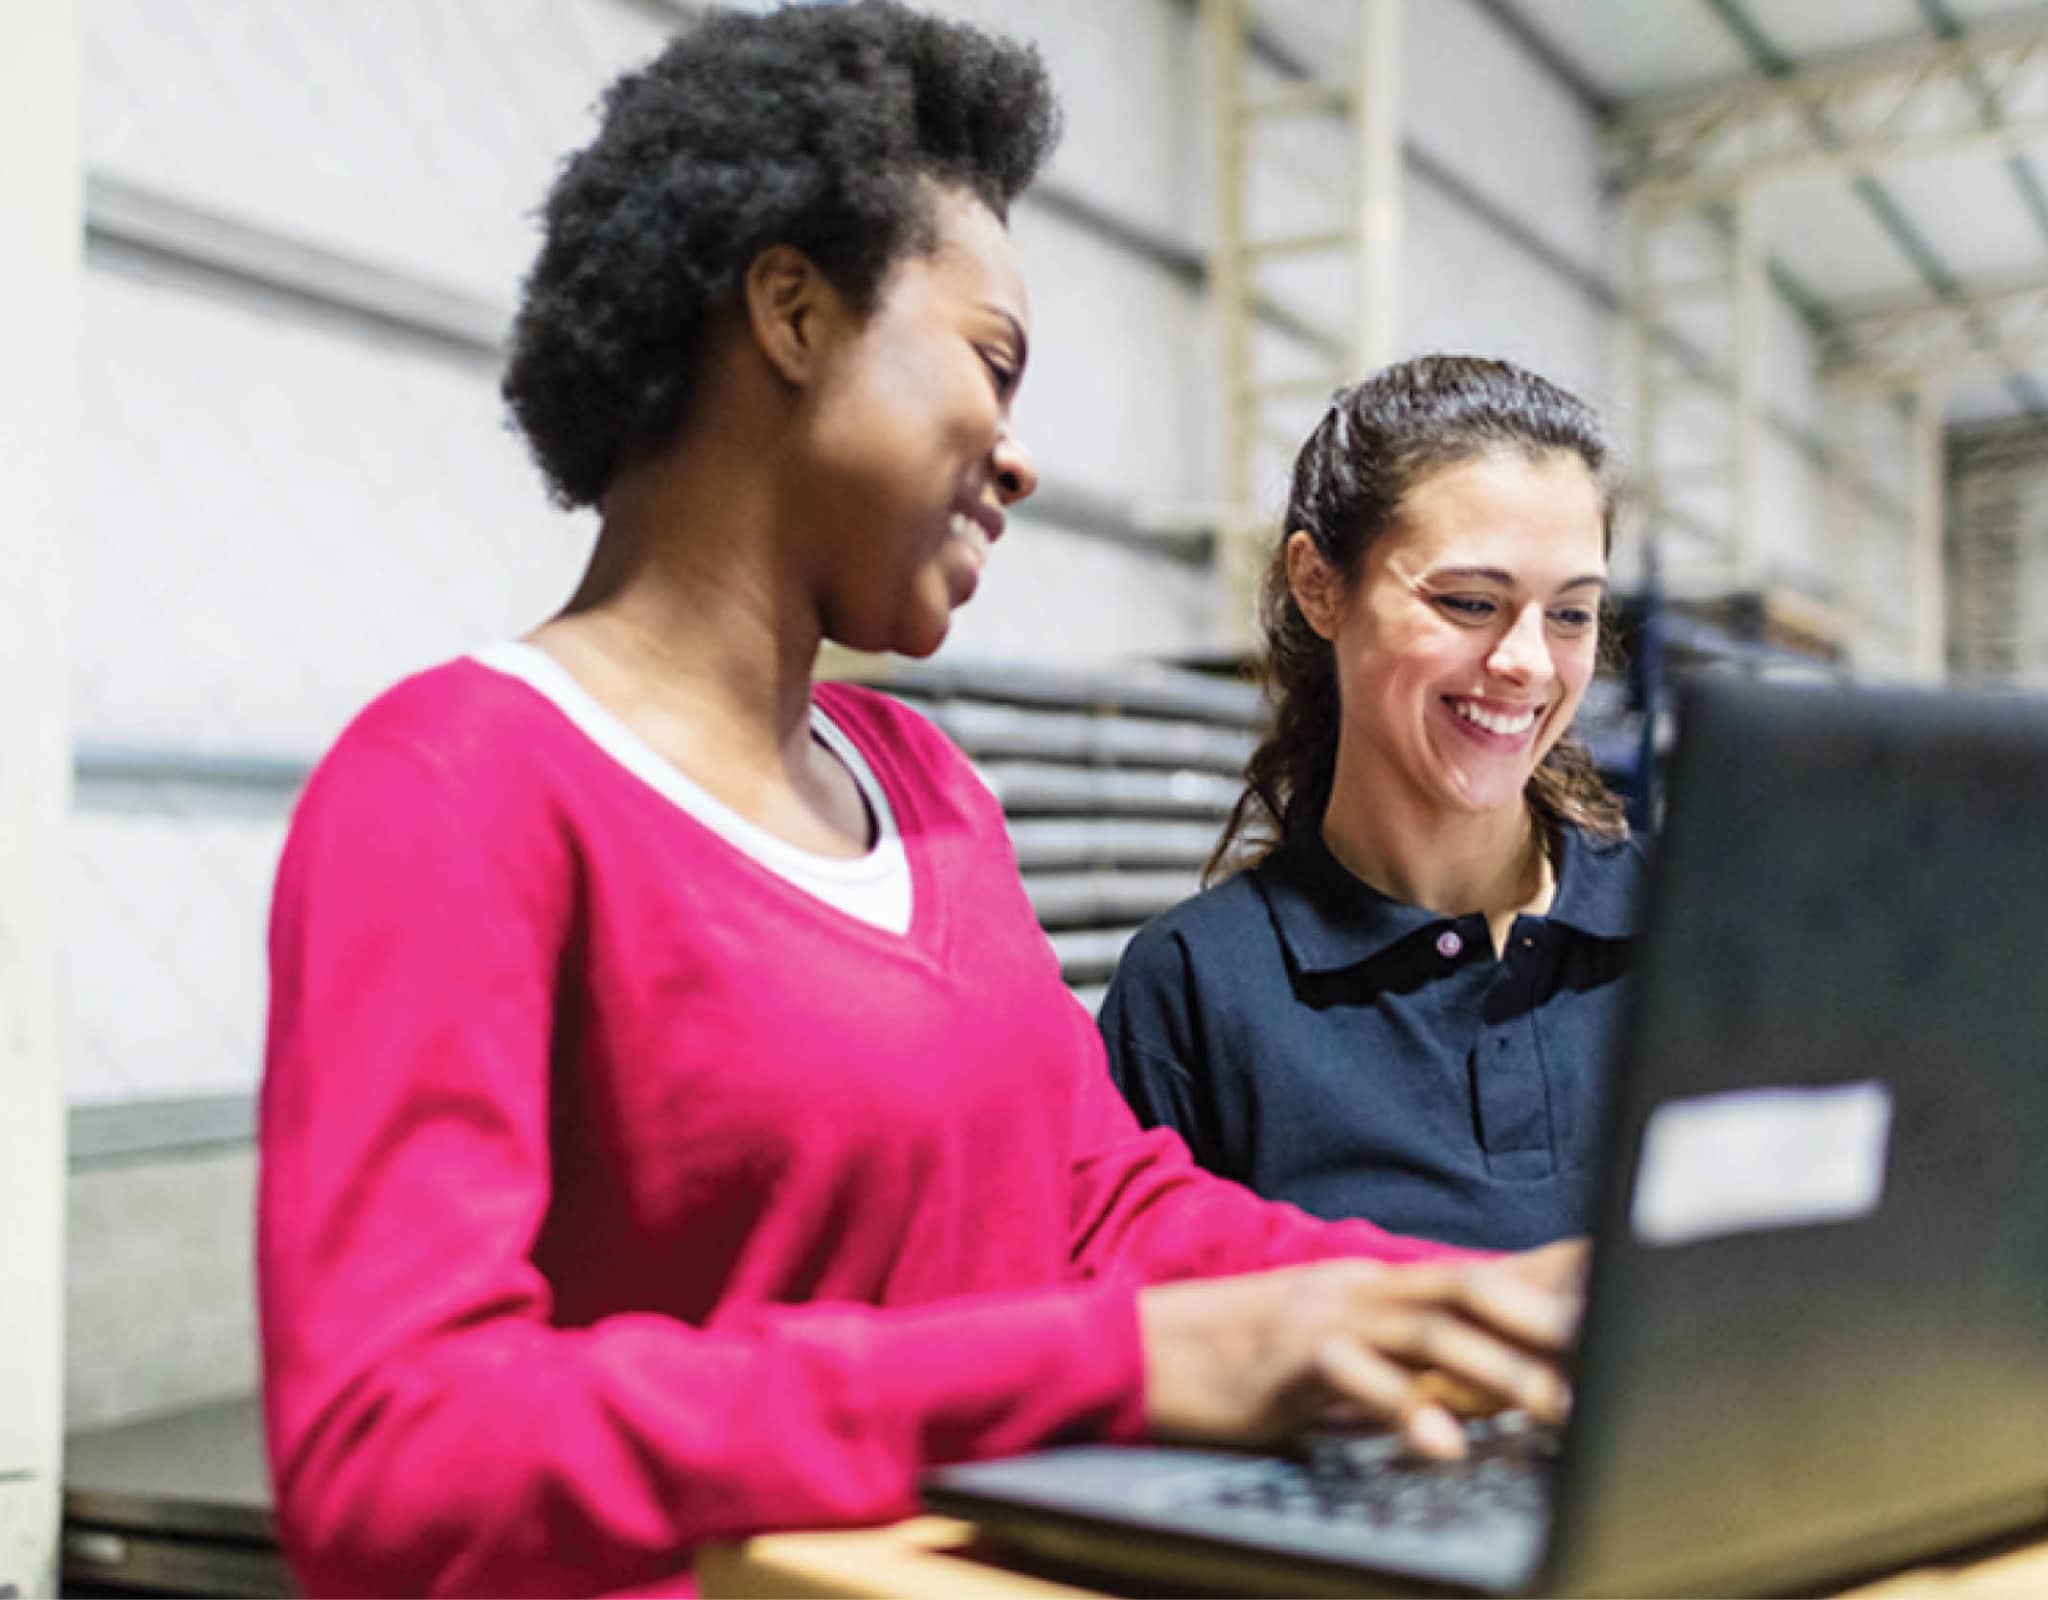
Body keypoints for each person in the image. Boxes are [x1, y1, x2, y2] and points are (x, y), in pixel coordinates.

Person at [255, 11, 1581, 1596]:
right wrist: (1121, 1370)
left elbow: (1106, 1209)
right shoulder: (462, 784)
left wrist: (1478, 1309)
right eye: (991, 363)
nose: (1018, 460)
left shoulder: (922, 784)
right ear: (794, 311)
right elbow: (395, 1452)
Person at [1101, 356, 1642, 1252]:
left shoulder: (1697, 937)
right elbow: (1142, 1348)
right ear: (1319, 586)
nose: (1529, 663)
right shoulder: (1196, 994)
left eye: (1571, 615)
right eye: (1471, 602)